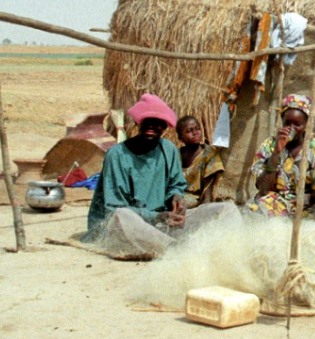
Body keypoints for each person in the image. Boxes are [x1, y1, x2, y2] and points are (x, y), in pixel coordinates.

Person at [84, 93, 234, 256]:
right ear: (137, 122)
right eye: (147, 121)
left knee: (226, 209)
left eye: (158, 123)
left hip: (161, 224)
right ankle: (178, 251)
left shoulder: (168, 150)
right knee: (122, 216)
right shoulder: (117, 155)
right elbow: (115, 208)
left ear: (164, 128)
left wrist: (176, 198)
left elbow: (176, 184)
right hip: (124, 225)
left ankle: (226, 249)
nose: (152, 127)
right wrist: (157, 217)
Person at [245, 93, 315, 217]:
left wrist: (301, 201)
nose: (291, 129)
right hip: (275, 203)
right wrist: (276, 153)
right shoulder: (269, 146)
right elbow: (263, 189)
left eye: (297, 124)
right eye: (287, 123)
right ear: (282, 121)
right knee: (254, 211)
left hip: (306, 206)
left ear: (306, 125)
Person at [176, 115, 225, 208]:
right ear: (180, 138)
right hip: (176, 194)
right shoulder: (176, 154)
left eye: (197, 129)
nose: (195, 133)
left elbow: (208, 187)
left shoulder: (209, 153)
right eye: (189, 131)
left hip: (195, 198)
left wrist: (205, 209)